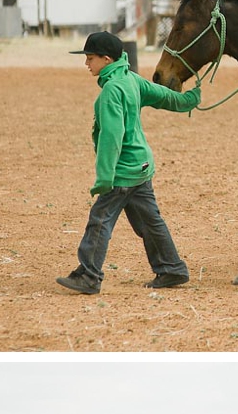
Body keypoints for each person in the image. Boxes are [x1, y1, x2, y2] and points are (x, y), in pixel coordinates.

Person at [56, 31, 200, 295]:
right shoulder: (130, 79)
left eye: (90, 58)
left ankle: (88, 275)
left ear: (107, 59)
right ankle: (171, 269)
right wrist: (189, 100)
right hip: (141, 166)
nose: (86, 63)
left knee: (100, 220)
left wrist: (104, 178)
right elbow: (164, 96)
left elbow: (112, 137)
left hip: (122, 172)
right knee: (149, 222)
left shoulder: (111, 91)